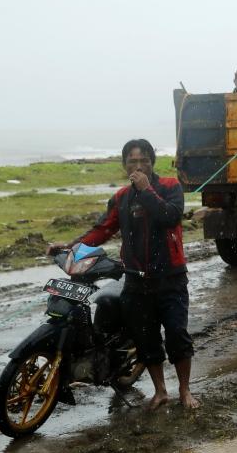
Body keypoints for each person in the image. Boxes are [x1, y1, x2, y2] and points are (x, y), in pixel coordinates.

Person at [48, 139, 199, 410]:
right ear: (124, 165)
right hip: (136, 280)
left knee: (177, 334)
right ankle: (161, 391)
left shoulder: (169, 186)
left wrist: (146, 190)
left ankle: (185, 390)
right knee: (146, 338)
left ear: (152, 163)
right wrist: (71, 246)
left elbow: (170, 216)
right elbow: (103, 229)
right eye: (132, 161)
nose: (138, 166)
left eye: (144, 161)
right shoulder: (121, 197)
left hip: (171, 278)